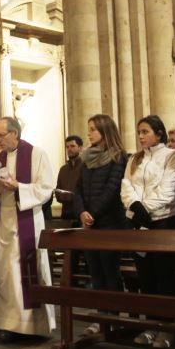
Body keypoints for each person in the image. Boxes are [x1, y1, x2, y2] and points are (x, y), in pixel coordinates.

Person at [0, 117, 56, 343]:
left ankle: (32, 326)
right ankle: (7, 325)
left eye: (0, 135)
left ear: (15, 133)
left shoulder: (37, 154)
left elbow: (46, 188)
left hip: (27, 221)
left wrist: (18, 186)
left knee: (25, 272)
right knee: (5, 274)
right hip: (2, 223)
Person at [121, 115, 175, 348]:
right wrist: (135, 207)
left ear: (159, 133)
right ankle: (151, 325)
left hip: (162, 221)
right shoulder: (134, 159)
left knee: (163, 276)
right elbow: (126, 186)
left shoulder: (171, 156)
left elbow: (169, 190)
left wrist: (145, 209)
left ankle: (167, 328)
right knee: (145, 275)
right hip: (138, 222)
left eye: (145, 131)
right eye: (138, 132)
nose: (140, 136)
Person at [73, 115, 128, 337]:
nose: (89, 133)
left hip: (110, 223)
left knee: (109, 271)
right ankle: (100, 316)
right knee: (95, 272)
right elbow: (78, 190)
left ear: (105, 131)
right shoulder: (86, 159)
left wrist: (92, 213)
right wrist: (81, 212)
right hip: (90, 226)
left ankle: (112, 316)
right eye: (89, 129)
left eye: (93, 129)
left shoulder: (118, 157)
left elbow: (113, 189)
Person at [54, 135, 84, 222]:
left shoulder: (85, 167)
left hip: (80, 213)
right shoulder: (63, 169)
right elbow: (58, 191)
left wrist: (70, 196)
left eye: (72, 146)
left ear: (80, 148)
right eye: (67, 147)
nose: (69, 149)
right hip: (66, 213)